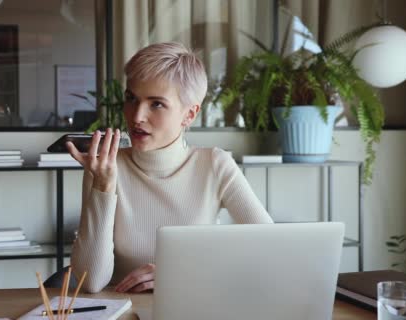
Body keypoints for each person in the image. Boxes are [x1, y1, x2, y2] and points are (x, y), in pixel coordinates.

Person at [67, 42, 273, 294]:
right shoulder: (105, 167)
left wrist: (181, 273)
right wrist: (103, 187)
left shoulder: (215, 165)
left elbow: (271, 251)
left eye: (156, 104)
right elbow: (90, 282)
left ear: (190, 114)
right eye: (131, 98)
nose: (136, 116)